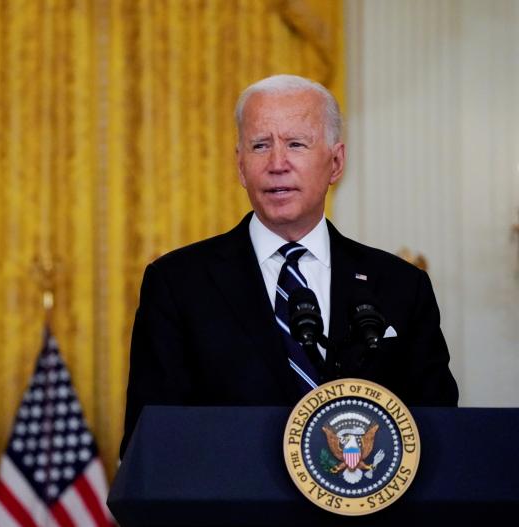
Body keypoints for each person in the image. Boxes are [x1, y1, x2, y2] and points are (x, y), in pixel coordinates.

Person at [120, 74, 458, 457]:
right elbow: (150, 444)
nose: (277, 163)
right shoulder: (176, 285)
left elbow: (439, 432)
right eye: (260, 145)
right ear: (240, 165)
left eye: (296, 144)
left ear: (336, 162)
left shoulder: (401, 286)